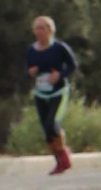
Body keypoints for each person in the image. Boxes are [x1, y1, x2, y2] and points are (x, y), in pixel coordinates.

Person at [22, 15, 80, 174]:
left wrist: (60, 75)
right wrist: (30, 72)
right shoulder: (31, 50)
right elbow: (26, 70)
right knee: (46, 130)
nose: (38, 31)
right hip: (40, 94)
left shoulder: (59, 48)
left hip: (58, 92)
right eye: (36, 28)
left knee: (51, 123)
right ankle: (59, 161)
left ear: (50, 30)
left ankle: (64, 156)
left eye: (42, 28)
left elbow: (73, 65)